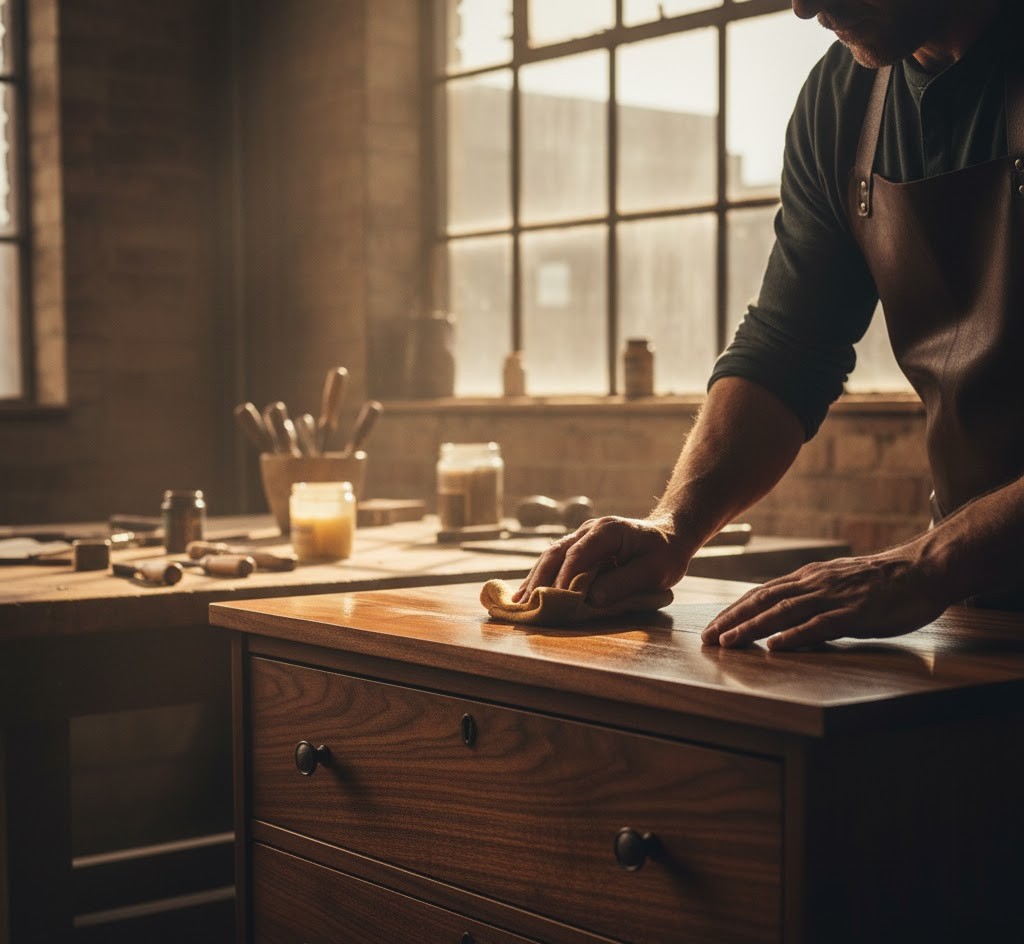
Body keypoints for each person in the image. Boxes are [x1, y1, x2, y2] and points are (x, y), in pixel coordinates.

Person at [514, 0, 1024, 650]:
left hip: (948, 576)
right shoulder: (840, 101)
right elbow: (789, 351)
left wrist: (926, 564)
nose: (805, 6)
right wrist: (674, 528)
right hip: (975, 609)